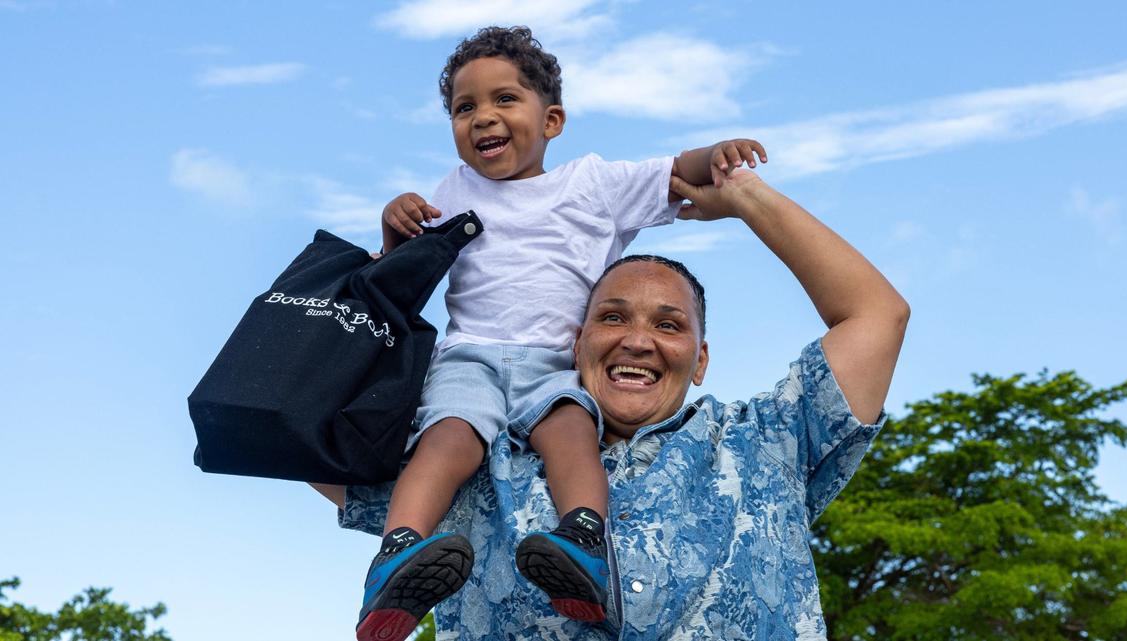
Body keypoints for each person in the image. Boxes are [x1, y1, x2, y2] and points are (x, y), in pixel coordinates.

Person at [313, 167, 910, 640]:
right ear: (576, 345)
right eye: (612, 317)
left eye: (670, 325)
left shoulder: (769, 442)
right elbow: (303, 437)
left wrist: (746, 197)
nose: (637, 339)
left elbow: (877, 315)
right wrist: (386, 279)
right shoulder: (479, 465)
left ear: (701, 359)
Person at [345, 25, 766, 640]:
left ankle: (582, 544)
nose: (483, 117)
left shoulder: (593, 185)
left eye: (504, 99)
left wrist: (719, 155)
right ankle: (396, 557)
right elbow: (402, 275)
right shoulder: (451, 191)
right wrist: (393, 226)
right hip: (470, 357)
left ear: (552, 120)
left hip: (555, 360)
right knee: (448, 439)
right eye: (465, 108)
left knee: (570, 430)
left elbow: (676, 169)